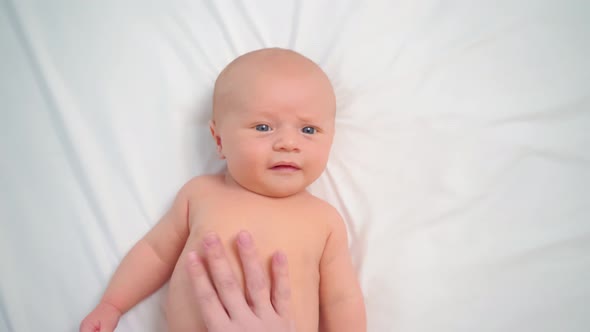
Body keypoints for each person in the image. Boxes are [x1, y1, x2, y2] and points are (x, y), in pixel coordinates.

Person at [80, 47, 366, 332]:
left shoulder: (324, 221)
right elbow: (155, 252)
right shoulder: (201, 195)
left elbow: (341, 300)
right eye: (264, 127)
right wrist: (113, 304)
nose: (288, 143)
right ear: (219, 140)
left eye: (308, 130)